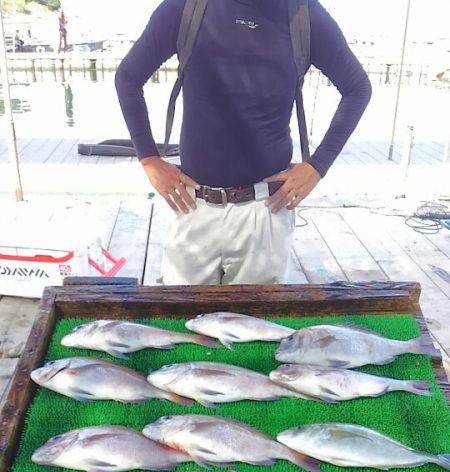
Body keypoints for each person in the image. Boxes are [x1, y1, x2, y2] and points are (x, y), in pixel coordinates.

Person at [115, 0, 371, 286]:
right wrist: (149, 160)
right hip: (193, 206)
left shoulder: (304, 14)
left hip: (266, 211)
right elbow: (128, 76)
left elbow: (357, 88)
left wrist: (317, 166)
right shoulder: (186, 7)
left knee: (255, 327)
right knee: (183, 323)